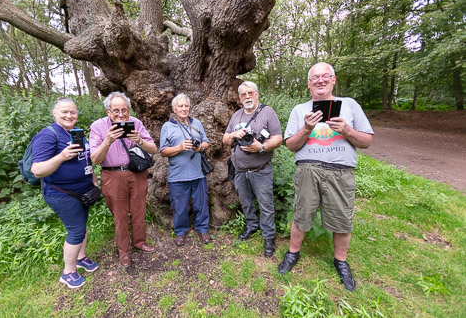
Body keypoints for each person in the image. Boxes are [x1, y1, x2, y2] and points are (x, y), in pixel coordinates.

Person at [278, 62, 373, 291]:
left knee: (342, 218)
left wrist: (347, 130)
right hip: (308, 169)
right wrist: (305, 129)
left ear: (333, 80)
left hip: (340, 171)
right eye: (315, 78)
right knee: (301, 214)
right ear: (309, 84)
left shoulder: (349, 105)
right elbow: (290, 145)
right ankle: (293, 254)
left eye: (325, 76)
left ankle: (340, 262)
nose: (320, 80)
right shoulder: (299, 110)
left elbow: (367, 141)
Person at [31, 98, 99, 289]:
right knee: (76, 230)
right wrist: (61, 156)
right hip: (61, 193)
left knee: (82, 225)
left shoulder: (76, 133)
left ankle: (81, 258)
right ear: (54, 113)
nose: (69, 115)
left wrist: (93, 179)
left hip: (83, 190)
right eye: (64, 112)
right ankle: (68, 272)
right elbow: (37, 170)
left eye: (73, 112)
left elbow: (84, 159)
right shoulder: (48, 135)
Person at [89, 92, 157, 267]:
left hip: (136, 173)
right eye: (116, 110)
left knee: (139, 209)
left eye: (124, 110)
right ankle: (124, 250)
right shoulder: (98, 127)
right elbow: (95, 159)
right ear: (108, 111)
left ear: (129, 110)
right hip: (112, 175)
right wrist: (108, 140)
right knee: (119, 215)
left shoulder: (136, 123)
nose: (121, 114)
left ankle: (139, 242)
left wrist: (140, 141)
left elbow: (154, 149)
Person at [222, 81, 283, 257]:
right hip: (239, 169)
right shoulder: (236, 115)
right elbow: (225, 139)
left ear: (256, 94)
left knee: (266, 205)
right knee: (246, 202)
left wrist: (261, 148)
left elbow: (278, 138)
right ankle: (251, 225)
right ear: (240, 98)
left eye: (250, 93)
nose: (247, 96)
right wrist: (234, 135)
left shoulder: (267, 112)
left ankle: (269, 236)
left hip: (261, 169)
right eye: (243, 94)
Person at [160, 94, 211, 246]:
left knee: (201, 204)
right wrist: (179, 147)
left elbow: (206, 143)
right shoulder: (167, 126)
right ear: (174, 108)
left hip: (198, 173)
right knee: (179, 206)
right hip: (177, 176)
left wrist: (199, 147)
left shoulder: (197, 123)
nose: (184, 109)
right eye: (180, 106)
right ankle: (180, 232)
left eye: (186, 106)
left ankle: (202, 229)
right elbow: (162, 151)